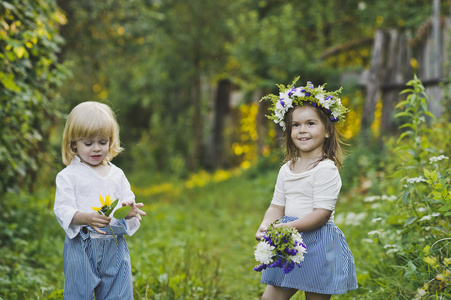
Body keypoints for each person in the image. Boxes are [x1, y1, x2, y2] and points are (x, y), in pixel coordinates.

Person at [255, 78, 358, 300]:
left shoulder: (326, 169)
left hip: (318, 243)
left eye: (311, 123)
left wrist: (286, 228)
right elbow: (276, 206)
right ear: (289, 129)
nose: (303, 130)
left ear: (327, 130)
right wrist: (266, 226)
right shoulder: (286, 169)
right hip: (288, 243)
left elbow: (321, 214)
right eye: (296, 125)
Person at [54, 101, 146, 299]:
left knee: (119, 293)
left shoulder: (117, 174)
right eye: (88, 143)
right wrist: (86, 218)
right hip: (82, 245)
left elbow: (127, 201)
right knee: (79, 294)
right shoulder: (68, 176)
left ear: (111, 140)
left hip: (115, 245)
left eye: (103, 142)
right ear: (73, 144)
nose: (96, 149)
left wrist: (130, 211)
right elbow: (62, 209)